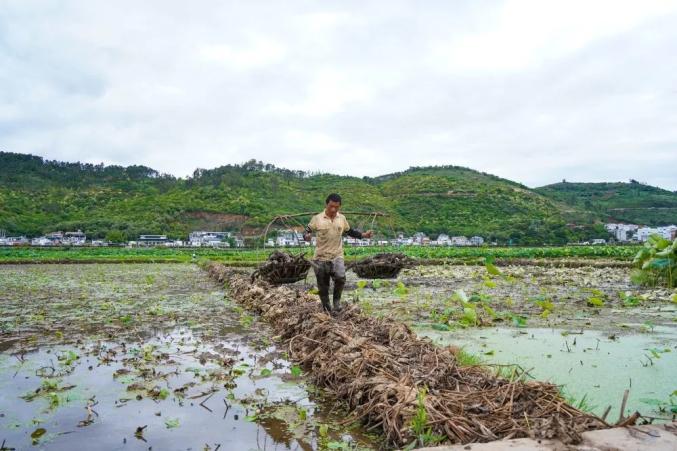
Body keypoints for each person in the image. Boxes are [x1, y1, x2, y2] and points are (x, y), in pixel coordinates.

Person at [303, 193, 373, 314]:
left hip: (337, 256)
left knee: (341, 278)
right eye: (331, 206)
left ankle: (336, 302)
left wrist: (363, 235)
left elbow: (350, 231)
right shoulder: (317, 218)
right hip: (320, 257)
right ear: (326, 205)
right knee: (323, 286)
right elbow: (307, 231)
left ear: (339, 206)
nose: (333, 209)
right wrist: (306, 236)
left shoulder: (342, 218)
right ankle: (327, 308)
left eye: (336, 207)